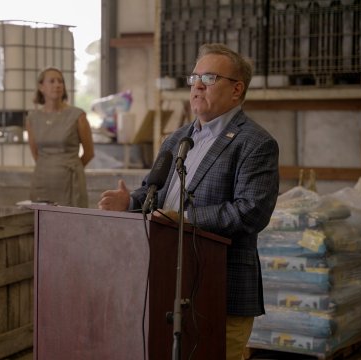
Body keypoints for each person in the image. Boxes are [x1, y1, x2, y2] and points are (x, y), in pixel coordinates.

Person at [98, 43, 280, 360]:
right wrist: (130, 202)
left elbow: (250, 212)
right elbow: (154, 194)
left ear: (237, 90)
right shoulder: (178, 137)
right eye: (194, 77)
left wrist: (184, 218)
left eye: (208, 77)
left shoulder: (256, 143)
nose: (196, 85)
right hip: (166, 283)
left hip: (221, 288)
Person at [26, 67, 95, 207]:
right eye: (52, 81)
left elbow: (89, 153)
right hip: (42, 182)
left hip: (70, 182)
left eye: (60, 81)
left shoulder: (77, 116)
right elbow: (36, 153)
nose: (57, 85)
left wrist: (70, 168)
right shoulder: (33, 118)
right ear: (41, 87)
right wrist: (50, 167)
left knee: (71, 225)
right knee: (41, 225)